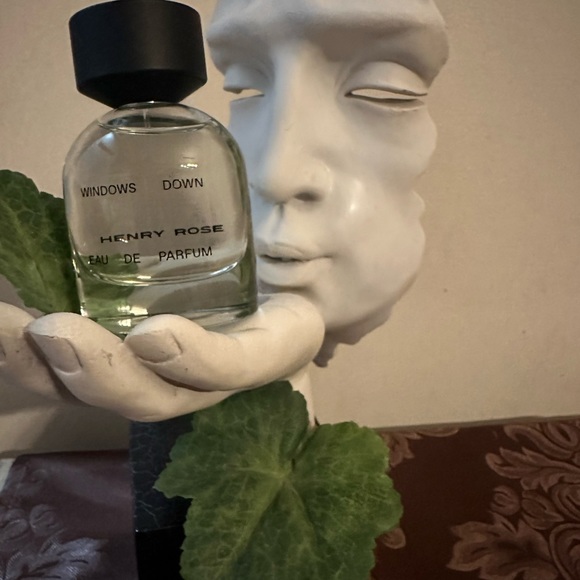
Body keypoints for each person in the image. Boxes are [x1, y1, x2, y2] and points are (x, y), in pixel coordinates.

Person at [0, 0, 448, 420]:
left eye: (383, 89)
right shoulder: (98, 146)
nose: (273, 174)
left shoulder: (200, 137)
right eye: (245, 86)